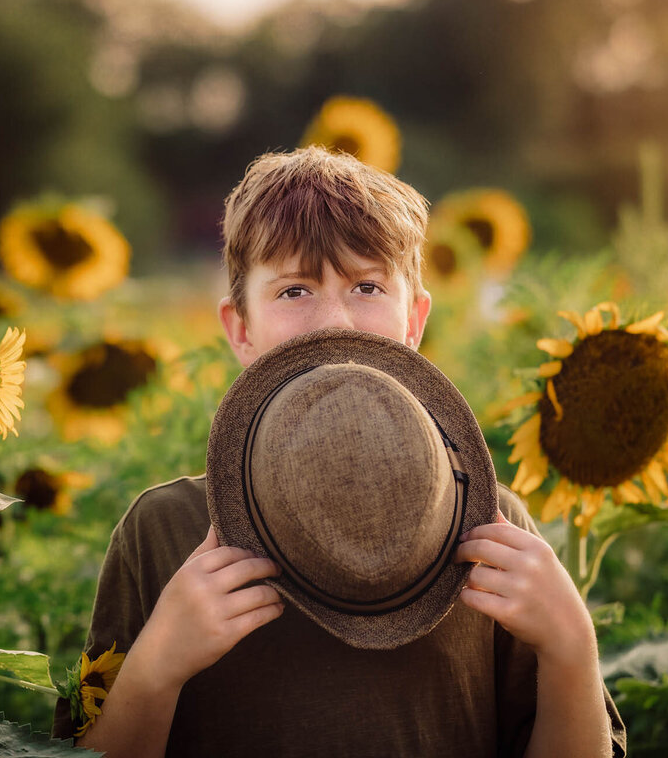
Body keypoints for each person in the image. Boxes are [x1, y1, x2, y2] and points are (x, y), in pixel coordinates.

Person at [52, 147, 626, 757]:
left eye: (369, 286)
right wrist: (157, 667)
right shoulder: (165, 533)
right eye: (294, 290)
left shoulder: (495, 538)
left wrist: (570, 644)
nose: (336, 323)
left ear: (415, 321)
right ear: (239, 328)